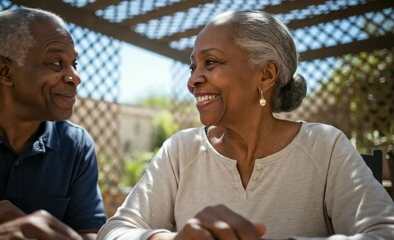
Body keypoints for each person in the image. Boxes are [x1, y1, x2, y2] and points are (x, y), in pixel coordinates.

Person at [97, 10, 394, 240]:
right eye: (193, 66)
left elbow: (384, 232)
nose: (193, 79)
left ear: (265, 75)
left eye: (210, 62)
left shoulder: (324, 147)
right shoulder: (181, 150)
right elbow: (115, 231)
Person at [0, 7, 106, 239]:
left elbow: (90, 233)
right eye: (56, 63)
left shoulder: (77, 145)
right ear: (5, 71)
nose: (76, 77)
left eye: (75, 64)